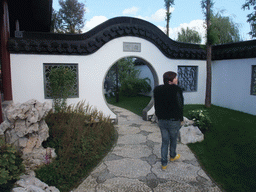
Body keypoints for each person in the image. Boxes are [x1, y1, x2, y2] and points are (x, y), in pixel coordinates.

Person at [153, 71, 184, 170]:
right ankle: (172, 156)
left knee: (165, 141)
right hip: (173, 120)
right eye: (175, 78)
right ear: (170, 79)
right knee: (173, 139)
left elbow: (156, 104)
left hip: (161, 120)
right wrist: (181, 119)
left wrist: (157, 116)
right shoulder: (177, 89)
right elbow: (180, 105)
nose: (177, 79)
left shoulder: (157, 89)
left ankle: (164, 164)